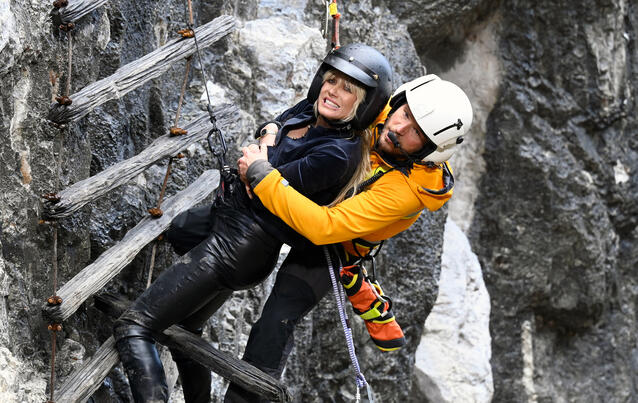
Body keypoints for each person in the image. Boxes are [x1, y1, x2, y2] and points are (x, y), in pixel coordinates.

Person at [112, 43, 393, 403]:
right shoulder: (312, 111)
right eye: (331, 80)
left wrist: (260, 161)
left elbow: (259, 182)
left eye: (347, 89)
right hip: (227, 224)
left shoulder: (337, 154)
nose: (332, 91)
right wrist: (268, 139)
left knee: (135, 327)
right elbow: (271, 127)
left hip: (240, 247)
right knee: (185, 329)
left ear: (363, 106)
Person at [226, 74, 473, 402]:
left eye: (415, 132)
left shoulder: (408, 193)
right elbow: (309, 112)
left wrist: (262, 176)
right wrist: (271, 129)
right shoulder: (380, 112)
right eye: (404, 114)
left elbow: (324, 227)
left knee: (276, 320)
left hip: (332, 246)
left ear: (430, 151)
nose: (399, 128)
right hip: (308, 194)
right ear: (397, 102)